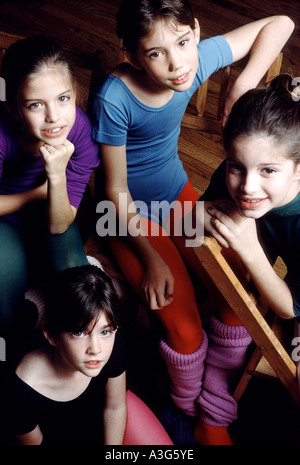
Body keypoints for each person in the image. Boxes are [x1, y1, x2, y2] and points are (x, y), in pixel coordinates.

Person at [91, 0, 294, 444]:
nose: (177, 63)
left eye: (183, 42)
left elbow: (281, 23)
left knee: (240, 287)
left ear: (195, 31)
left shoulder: (191, 63)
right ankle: (185, 407)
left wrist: (242, 83)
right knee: (184, 331)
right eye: (155, 53)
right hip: (123, 217)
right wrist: (152, 258)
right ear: (131, 55)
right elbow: (114, 192)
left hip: (178, 201)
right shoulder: (115, 98)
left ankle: (213, 404)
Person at [197, 73, 300, 443]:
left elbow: (290, 308)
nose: (247, 186)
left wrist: (251, 250)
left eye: (268, 170)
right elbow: (195, 214)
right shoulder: (235, 175)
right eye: (236, 166)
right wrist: (204, 213)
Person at [0, 35, 99, 360]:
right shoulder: (2, 133)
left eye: (63, 98)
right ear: (14, 108)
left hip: (53, 214)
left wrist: (56, 175)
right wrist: (38, 192)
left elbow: (59, 224)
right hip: (6, 221)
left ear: (75, 94)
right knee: (5, 309)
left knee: (80, 288)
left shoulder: (80, 129)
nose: (54, 117)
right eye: (35, 105)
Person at [3, 264, 173, 445]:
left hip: (110, 414)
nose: (95, 349)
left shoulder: (109, 343)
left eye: (105, 332)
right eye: (79, 333)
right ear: (51, 335)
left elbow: (115, 407)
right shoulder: (20, 392)